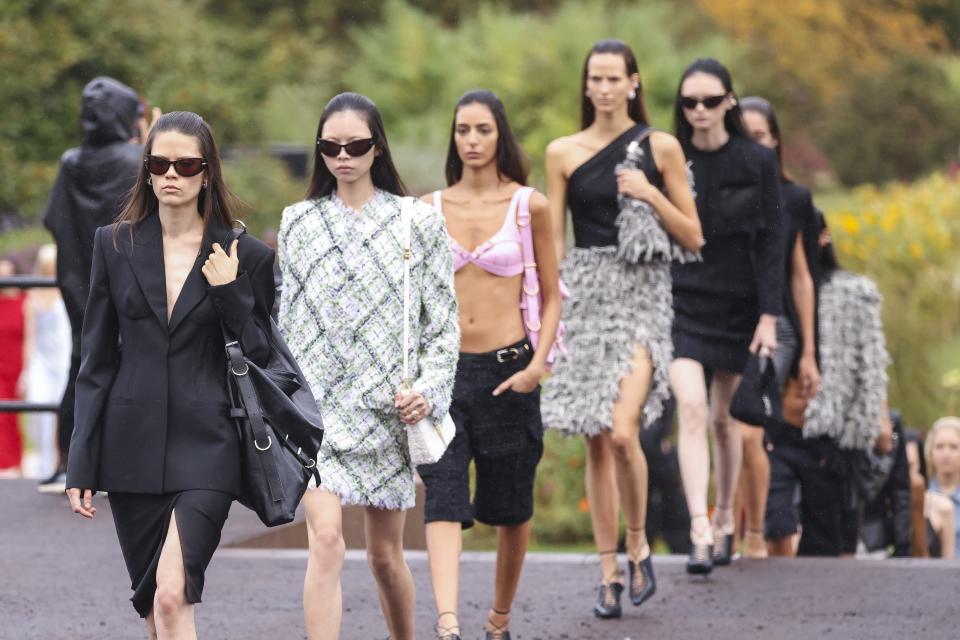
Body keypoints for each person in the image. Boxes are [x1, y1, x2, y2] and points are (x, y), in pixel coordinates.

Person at [65, 111, 277, 639]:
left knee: (172, 592)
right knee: (151, 608)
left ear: (207, 173)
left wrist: (232, 292)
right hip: (130, 446)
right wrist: (81, 459)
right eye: (160, 163)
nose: (172, 175)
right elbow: (94, 362)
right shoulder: (113, 246)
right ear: (147, 170)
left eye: (186, 164)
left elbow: (261, 355)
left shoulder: (244, 255)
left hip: (210, 443)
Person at [278, 92, 459, 640]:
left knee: (385, 556)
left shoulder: (416, 222)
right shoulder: (297, 222)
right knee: (327, 540)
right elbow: (282, 320)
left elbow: (443, 322)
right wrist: (282, 399)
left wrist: (427, 390)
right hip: (314, 414)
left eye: (355, 145)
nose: (343, 156)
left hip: (388, 412)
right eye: (331, 147)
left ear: (377, 147)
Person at [542, 40, 702, 617]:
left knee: (621, 430)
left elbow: (693, 235)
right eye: (596, 79)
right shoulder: (562, 151)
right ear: (586, 86)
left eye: (615, 79)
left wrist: (650, 191)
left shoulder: (660, 146)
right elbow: (555, 241)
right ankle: (608, 567)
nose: (605, 88)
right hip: (585, 296)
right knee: (594, 439)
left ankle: (639, 540)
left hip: (640, 298)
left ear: (634, 82)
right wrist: (548, 307)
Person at [416, 90, 561, 640]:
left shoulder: (530, 205)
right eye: (462, 131)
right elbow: (416, 301)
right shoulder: (427, 208)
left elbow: (552, 294)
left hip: (509, 371)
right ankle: (448, 625)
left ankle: (498, 619)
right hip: (444, 374)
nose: (472, 141)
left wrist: (537, 367)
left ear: (500, 134)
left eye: (482, 130)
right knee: (443, 498)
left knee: (511, 507)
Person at [669, 58, 785, 573]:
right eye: (689, 102)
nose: (699, 111)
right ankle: (698, 529)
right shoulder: (670, 156)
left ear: (729, 102)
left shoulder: (756, 162)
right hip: (681, 302)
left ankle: (724, 521)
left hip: (738, 307)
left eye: (710, 101)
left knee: (725, 418)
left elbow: (772, 244)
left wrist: (768, 315)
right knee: (691, 407)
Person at [766, 216, 891, 557]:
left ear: (823, 237)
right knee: (774, 524)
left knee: (826, 544)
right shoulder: (769, 291)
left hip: (829, 437)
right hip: (778, 429)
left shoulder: (852, 295)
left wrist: (881, 423)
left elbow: (871, 363)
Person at [42, 76, 143, 492]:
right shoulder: (136, 160)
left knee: (81, 362)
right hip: (125, 280)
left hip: (75, 280)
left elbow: (52, 219)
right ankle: (121, 461)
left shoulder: (70, 163)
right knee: (132, 365)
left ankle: (69, 461)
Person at [735, 96, 821, 559]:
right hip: (725, 322)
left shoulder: (795, 199)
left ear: (775, 141)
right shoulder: (719, 193)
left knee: (748, 428)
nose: (753, 148)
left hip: (777, 326)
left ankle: (756, 538)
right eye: (743, 138)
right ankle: (727, 529)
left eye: (760, 138)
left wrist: (808, 352)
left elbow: (802, 277)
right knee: (720, 427)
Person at [17, 245, 71, 479]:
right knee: (40, 408)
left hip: (64, 359)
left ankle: (62, 464)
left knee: (64, 410)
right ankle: (47, 465)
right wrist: (26, 370)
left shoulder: (68, 291)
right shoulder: (33, 298)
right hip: (42, 361)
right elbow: (30, 339)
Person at [0, 257, 27, 477]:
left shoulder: (27, 302)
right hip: (0, 368)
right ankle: (8, 466)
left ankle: (18, 463)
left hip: (19, 367)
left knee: (18, 418)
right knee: (3, 419)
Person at [925, 416, 960, 558]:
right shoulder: (921, 498)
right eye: (939, 447)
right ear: (930, 452)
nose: (946, 453)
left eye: (954, 447)